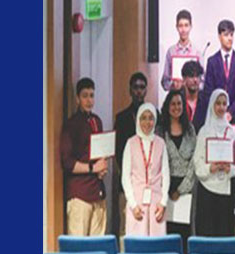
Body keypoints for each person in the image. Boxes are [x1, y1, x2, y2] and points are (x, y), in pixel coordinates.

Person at [60, 78, 108, 235]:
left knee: (98, 245)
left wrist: (102, 167)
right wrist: (93, 168)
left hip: (98, 193)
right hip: (80, 195)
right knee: (78, 245)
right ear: (77, 99)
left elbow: (100, 151)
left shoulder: (97, 121)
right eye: (85, 96)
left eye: (92, 95)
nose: (89, 100)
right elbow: (67, 162)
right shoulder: (71, 125)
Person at [192, 89, 235, 236]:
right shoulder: (204, 131)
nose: (221, 107)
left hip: (225, 190)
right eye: (218, 103)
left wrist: (230, 169)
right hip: (207, 190)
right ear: (212, 105)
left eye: (224, 104)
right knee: (207, 233)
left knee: (224, 234)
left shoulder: (232, 132)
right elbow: (197, 161)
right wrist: (209, 168)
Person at [119, 102, 169, 237]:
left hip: (157, 204)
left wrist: (163, 202)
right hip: (136, 203)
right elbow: (125, 177)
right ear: (138, 120)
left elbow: (165, 175)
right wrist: (133, 204)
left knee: (156, 244)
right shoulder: (130, 143)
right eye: (143, 118)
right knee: (137, 244)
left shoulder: (161, 143)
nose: (147, 122)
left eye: (151, 118)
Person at [114, 71, 149, 239]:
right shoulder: (121, 118)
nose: (139, 91)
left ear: (146, 90)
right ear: (130, 90)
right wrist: (130, 176)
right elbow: (118, 152)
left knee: (147, 227)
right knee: (126, 227)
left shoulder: (154, 116)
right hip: (127, 183)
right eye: (135, 87)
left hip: (149, 184)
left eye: (142, 87)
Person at [158, 90, 196, 245]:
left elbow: (194, 161)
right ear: (167, 107)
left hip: (186, 188)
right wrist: (168, 189)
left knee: (185, 232)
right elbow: (157, 160)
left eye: (179, 103)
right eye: (173, 104)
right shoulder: (160, 130)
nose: (176, 107)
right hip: (165, 187)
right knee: (168, 232)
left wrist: (181, 190)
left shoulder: (190, 129)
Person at [197, 19, 235, 127]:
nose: (230, 38)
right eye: (226, 35)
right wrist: (219, 110)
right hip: (216, 116)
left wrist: (230, 112)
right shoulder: (212, 61)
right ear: (219, 36)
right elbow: (209, 90)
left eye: (231, 35)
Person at [161, 9, 199, 92]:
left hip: (192, 97)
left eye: (186, 25)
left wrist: (193, 83)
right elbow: (164, 82)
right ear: (177, 27)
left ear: (191, 27)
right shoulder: (171, 52)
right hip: (175, 97)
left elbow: (203, 82)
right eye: (180, 26)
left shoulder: (197, 53)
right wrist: (172, 85)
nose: (183, 29)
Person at [182, 60, 206, 130]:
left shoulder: (206, 101)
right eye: (191, 76)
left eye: (197, 76)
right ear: (184, 78)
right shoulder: (178, 99)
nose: (195, 80)